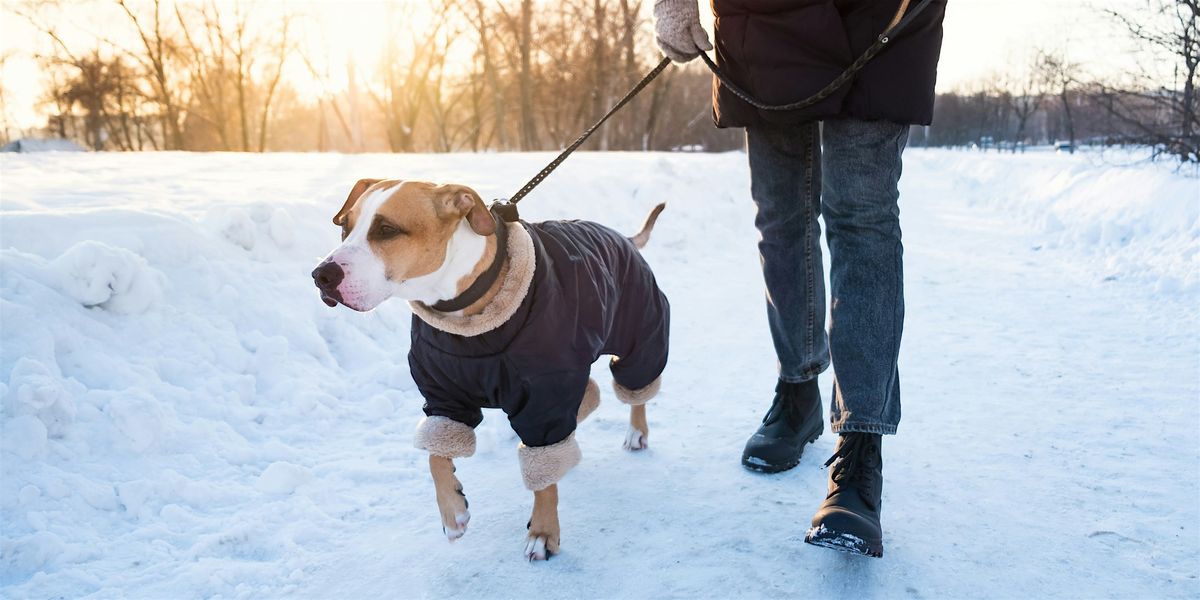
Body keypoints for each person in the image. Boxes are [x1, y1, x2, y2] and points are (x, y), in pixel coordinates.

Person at [653, 0, 945, 557]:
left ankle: (861, 449)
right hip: (761, 18)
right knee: (780, 215)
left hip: (879, 12)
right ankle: (798, 386)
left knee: (862, 217)